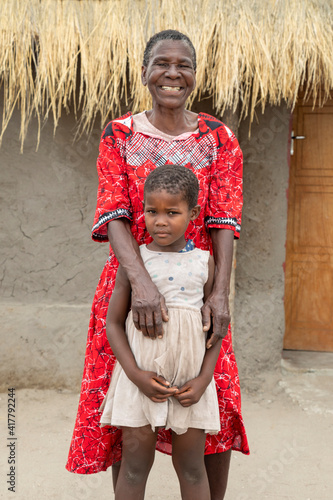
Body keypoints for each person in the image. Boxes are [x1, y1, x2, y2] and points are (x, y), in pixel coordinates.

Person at [66, 29, 249, 499]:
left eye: (183, 64)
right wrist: (142, 284)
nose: (173, 73)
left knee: (212, 396)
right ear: (145, 72)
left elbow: (224, 219)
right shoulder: (120, 133)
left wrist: (219, 293)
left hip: (197, 286)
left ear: (194, 72)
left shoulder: (218, 138)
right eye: (162, 64)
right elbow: (113, 214)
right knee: (129, 408)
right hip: (130, 282)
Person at [100, 165, 222, 499]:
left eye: (172, 212)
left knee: (192, 469)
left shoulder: (203, 263)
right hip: (140, 382)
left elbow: (217, 329)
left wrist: (204, 379)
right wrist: (135, 375)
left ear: (193, 213)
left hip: (189, 384)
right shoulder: (136, 262)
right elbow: (112, 324)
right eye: (151, 211)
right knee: (135, 467)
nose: (160, 221)